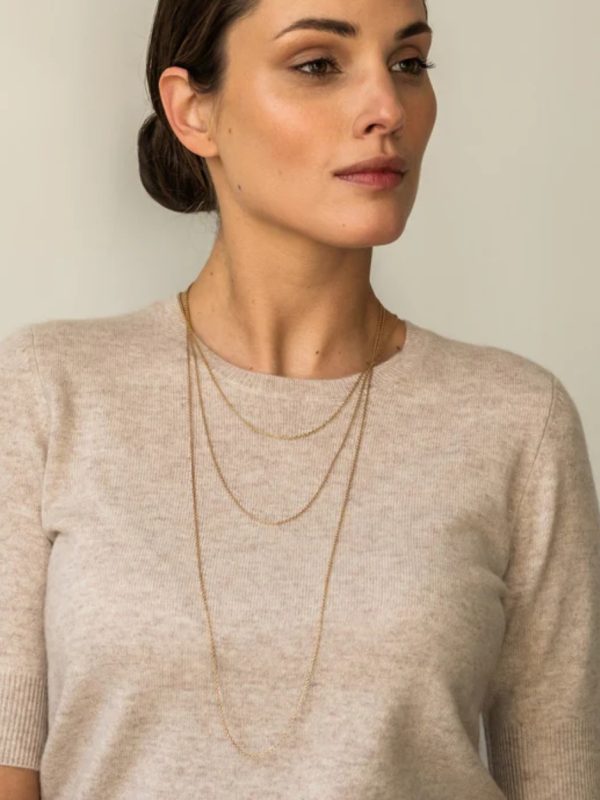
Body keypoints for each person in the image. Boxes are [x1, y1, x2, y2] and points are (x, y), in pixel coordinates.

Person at [1, 0, 599, 798]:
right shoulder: (48, 392)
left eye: (409, 64)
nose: (387, 108)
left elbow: (560, 779)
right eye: (318, 65)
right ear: (192, 111)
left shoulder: (518, 422)